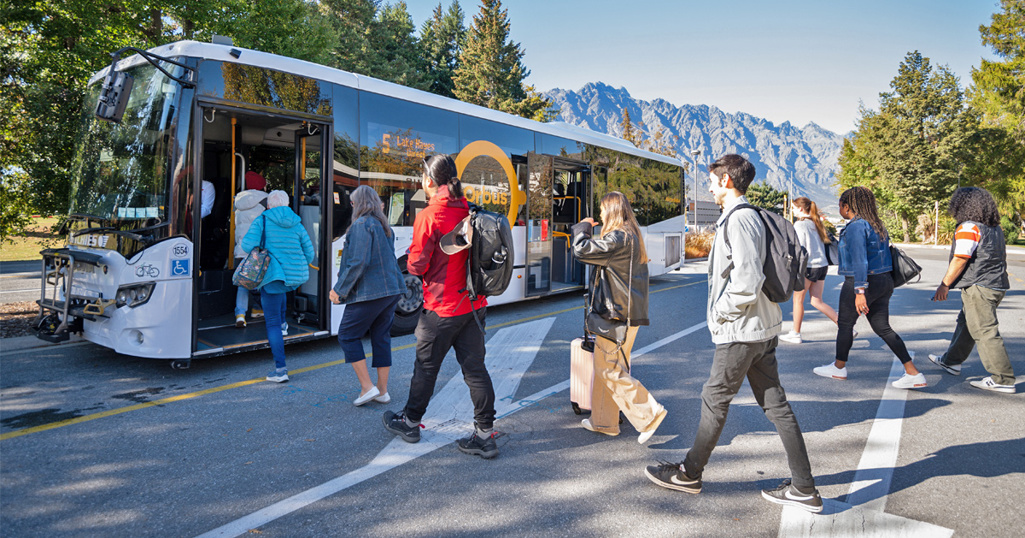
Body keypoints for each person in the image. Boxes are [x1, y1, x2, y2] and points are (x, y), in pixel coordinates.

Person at [644, 154, 822, 513]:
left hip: (741, 331)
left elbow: (747, 279)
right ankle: (804, 487)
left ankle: (689, 473)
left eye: (711, 180)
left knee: (715, 400)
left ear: (727, 181)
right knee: (776, 405)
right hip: (761, 328)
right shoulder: (747, 216)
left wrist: (720, 314)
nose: (707, 185)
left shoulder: (740, 220)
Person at [382, 154, 499, 459]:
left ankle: (409, 422)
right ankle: (485, 435)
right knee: (475, 370)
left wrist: (411, 256)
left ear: (428, 181)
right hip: (473, 304)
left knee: (426, 369)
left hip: (441, 306)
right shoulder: (469, 208)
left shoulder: (430, 214)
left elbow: (417, 266)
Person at [572, 191, 666, 443]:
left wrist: (581, 228)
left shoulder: (618, 238)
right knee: (608, 367)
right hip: (628, 315)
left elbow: (581, 251)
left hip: (616, 317)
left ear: (611, 211)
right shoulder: (632, 235)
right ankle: (604, 422)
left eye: (602, 211)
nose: (600, 215)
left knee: (609, 369)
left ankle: (649, 414)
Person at [813, 186, 925, 389]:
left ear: (846, 206)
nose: (840, 209)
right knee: (882, 327)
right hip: (884, 281)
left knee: (846, 325)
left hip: (863, 281)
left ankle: (839, 368)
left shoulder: (856, 227)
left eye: (840, 205)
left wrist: (860, 291)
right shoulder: (877, 225)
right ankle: (913, 372)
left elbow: (860, 261)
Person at [928, 187, 1016, 394]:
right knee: (967, 323)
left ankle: (1003, 378)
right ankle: (951, 361)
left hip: (980, 285)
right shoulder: (994, 228)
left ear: (961, 205)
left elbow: (961, 258)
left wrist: (945, 284)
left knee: (984, 330)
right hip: (996, 283)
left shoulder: (969, 227)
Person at [329, 186, 406, 406]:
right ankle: (382, 391)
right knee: (381, 337)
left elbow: (358, 262)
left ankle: (367, 387)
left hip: (371, 292)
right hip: (391, 289)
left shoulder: (361, 225)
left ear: (359, 204)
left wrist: (339, 291)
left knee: (347, 335)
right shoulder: (383, 225)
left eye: (352, 203)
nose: (351, 207)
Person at [240, 190, 314, 383]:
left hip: (272, 275)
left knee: (270, 321)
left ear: (269, 205)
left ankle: (280, 370)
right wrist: (296, 263)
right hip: (293, 276)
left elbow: (247, 246)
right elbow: (310, 254)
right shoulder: (296, 222)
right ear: (287, 203)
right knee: (280, 290)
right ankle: (283, 324)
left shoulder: (262, 221)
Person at [779, 197, 844, 344]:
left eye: (794, 208)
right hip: (822, 266)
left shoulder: (800, 225)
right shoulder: (816, 223)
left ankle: (795, 333)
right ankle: (845, 327)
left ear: (801, 209)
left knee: (798, 300)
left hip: (808, 266)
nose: (793, 211)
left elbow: (799, 248)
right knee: (816, 301)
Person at [233, 171, 268, 327]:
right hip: (257, 250)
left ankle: (240, 314)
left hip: (241, 248)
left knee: (243, 282)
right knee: (261, 281)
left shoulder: (238, 201)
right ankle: (258, 308)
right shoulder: (265, 200)